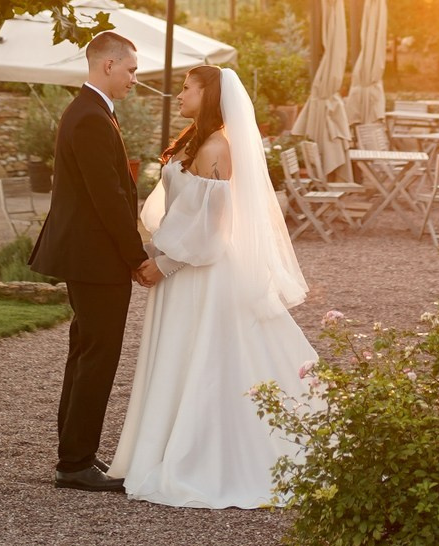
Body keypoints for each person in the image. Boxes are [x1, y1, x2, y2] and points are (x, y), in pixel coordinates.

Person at [107, 63, 317, 508]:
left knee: (209, 360)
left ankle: (206, 457)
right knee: (185, 359)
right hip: (185, 267)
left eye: (187, 89)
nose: (179, 96)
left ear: (210, 96)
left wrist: (165, 265)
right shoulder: (196, 143)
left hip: (202, 274)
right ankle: (165, 446)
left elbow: (212, 227)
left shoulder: (217, 146)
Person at [28, 30, 160, 492]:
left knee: (86, 353)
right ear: (108, 65)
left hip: (90, 257)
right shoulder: (88, 117)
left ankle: (76, 453)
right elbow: (107, 198)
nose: (134, 80)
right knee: (96, 358)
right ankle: (75, 462)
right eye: (131, 71)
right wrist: (136, 256)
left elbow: (110, 191)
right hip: (95, 259)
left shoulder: (92, 112)